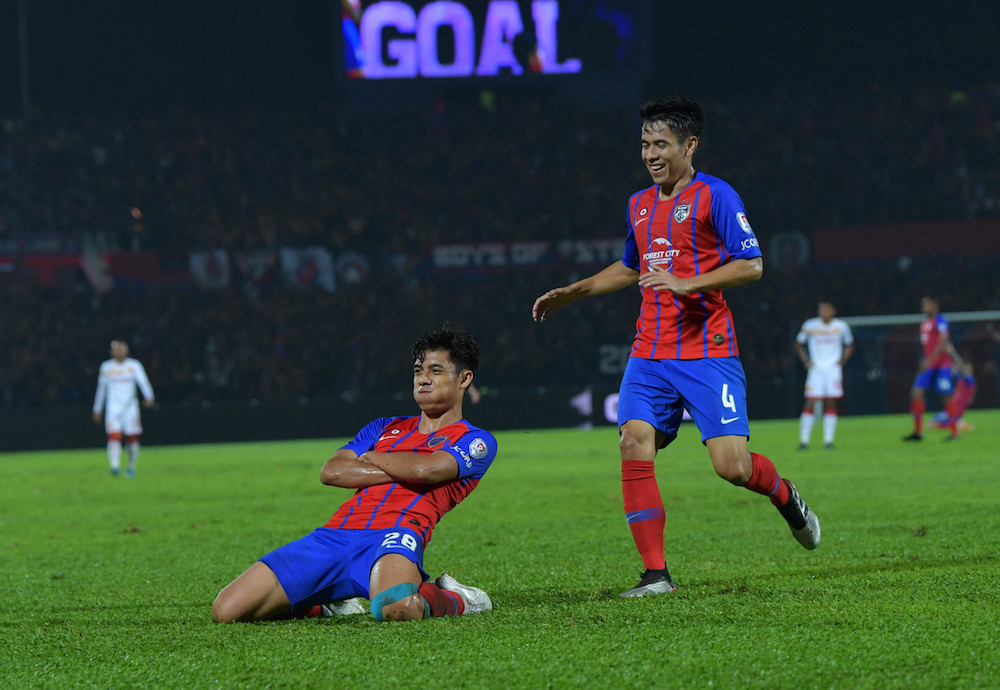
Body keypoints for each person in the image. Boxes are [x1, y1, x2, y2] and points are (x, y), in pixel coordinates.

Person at [531, 96, 820, 598]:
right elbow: (629, 268)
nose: (650, 153)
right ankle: (655, 574)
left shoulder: (717, 196)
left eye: (660, 143)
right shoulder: (638, 204)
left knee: (733, 467)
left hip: (708, 353)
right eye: (644, 144)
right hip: (649, 355)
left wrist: (690, 284)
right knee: (632, 442)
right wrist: (572, 292)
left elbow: (751, 265)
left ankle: (786, 495)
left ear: (690, 145)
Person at [212, 326, 497, 623]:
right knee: (226, 610)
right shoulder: (384, 426)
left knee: (396, 608)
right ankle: (322, 603)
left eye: (435, 370)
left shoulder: (475, 440)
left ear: (464, 379)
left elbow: (427, 470)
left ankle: (458, 598)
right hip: (336, 533)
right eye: (418, 370)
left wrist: (374, 457)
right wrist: (405, 469)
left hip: (395, 535)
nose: (423, 379)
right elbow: (332, 471)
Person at [795, 301, 855, 450]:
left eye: (827, 309)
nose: (824, 312)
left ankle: (828, 440)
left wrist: (841, 361)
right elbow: (798, 343)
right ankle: (804, 441)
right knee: (811, 401)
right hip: (816, 369)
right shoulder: (810, 325)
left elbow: (850, 344)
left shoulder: (841, 326)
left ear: (833, 311)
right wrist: (806, 361)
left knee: (830, 402)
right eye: (821, 309)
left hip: (833, 370)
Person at [92, 340, 155, 477]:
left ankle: (131, 466)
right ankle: (115, 465)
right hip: (113, 408)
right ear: (112, 352)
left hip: (130, 408)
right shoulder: (107, 367)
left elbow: (143, 381)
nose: (118, 352)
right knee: (114, 436)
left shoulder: (134, 365)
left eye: (121, 349)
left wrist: (149, 396)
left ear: (126, 351)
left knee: (132, 437)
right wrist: (97, 409)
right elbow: (101, 389)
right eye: (115, 349)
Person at [903, 296, 953, 441]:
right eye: (923, 304)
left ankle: (954, 433)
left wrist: (928, 360)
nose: (924, 307)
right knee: (916, 394)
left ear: (935, 306)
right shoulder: (924, 324)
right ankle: (918, 433)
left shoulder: (941, 321)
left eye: (927, 305)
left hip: (942, 365)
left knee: (946, 396)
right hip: (929, 365)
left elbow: (944, 343)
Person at [933, 344, 976, 439]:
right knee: (934, 420)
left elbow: (960, 365)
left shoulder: (970, 380)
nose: (965, 369)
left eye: (968, 368)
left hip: (958, 410)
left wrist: (952, 352)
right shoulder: (962, 379)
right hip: (953, 408)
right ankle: (958, 423)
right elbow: (954, 368)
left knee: (935, 424)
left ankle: (960, 424)